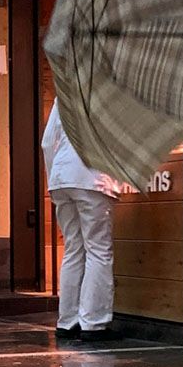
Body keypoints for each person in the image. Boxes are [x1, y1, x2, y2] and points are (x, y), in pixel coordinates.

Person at [41, 100, 121, 343]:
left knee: (73, 248)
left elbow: (46, 143)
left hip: (61, 179)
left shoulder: (65, 93)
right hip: (92, 177)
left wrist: (53, 178)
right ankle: (94, 323)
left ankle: (67, 321)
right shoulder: (109, 94)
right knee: (98, 249)